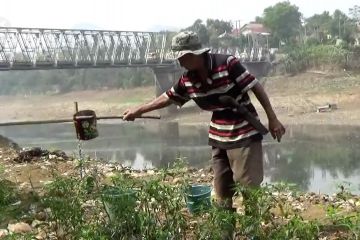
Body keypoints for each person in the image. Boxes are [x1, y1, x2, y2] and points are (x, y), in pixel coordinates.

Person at [123, 31, 285, 212]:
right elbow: (168, 97)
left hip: (244, 134)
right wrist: (138, 110)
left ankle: (253, 231)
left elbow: (255, 86)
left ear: (193, 55)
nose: (179, 62)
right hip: (218, 137)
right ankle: (225, 232)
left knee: (249, 191)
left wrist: (273, 118)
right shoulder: (188, 80)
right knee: (222, 191)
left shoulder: (227, 64)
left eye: (181, 57)